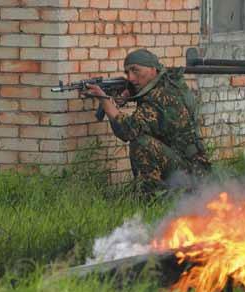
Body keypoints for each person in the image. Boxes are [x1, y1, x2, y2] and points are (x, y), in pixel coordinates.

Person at [83, 49, 211, 198]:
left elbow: (128, 131)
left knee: (141, 142)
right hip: (190, 167)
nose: (130, 77)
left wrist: (104, 100)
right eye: (127, 72)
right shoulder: (167, 83)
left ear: (152, 69)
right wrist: (129, 95)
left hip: (193, 176)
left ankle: (152, 197)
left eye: (136, 71)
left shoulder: (162, 97)